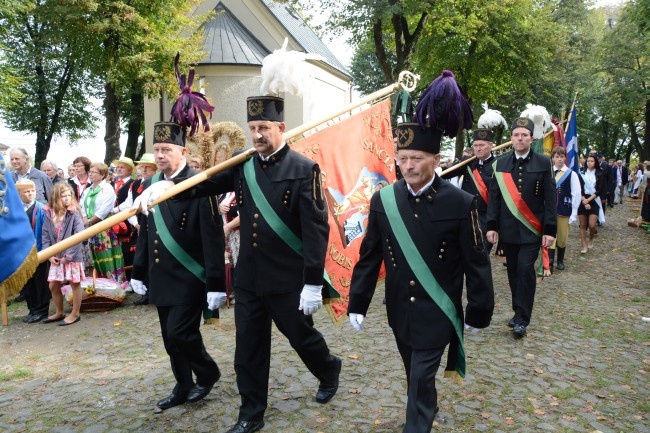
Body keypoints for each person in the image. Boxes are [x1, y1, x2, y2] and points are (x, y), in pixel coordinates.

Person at [136, 94, 341, 433]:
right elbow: (205, 185)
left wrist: (312, 282)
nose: (258, 135)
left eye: (264, 128)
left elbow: (316, 230)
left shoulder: (305, 170)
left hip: (288, 278)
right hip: (249, 278)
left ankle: (328, 367)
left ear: (281, 127)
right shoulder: (242, 164)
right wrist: (166, 188)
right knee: (248, 347)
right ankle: (251, 413)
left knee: (300, 337)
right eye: (253, 128)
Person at [348, 119, 495, 433]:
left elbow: (477, 261)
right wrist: (358, 302)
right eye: (402, 158)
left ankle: (417, 425)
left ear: (436, 160)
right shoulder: (383, 200)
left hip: (438, 310)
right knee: (413, 371)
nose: (408, 166)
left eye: (417, 158)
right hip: (400, 308)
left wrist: (478, 310)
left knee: (420, 375)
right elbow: (370, 256)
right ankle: (427, 402)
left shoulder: (460, 203)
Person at [131, 56, 226, 412]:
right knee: (169, 339)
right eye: (156, 151)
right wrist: (139, 272)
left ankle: (208, 373)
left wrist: (216, 283)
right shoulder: (150, 185)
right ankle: (183, 385)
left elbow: (212, 237)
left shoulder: (198, 185)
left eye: (166, 150)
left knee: (180, 333)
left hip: (190, 275)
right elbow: (147, 233)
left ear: (183, 152)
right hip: (161, 275)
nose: (160, 156)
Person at [486, 117, 556, 338]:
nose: (520, 138)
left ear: (531, 139)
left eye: (524, 135)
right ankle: (518, 312)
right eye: (516, 135)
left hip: (532, 230)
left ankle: (523, 319)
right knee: (513, 272)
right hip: (508, 230)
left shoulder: (544, 164)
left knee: (526, 270)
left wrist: (549, 230)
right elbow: (494, 199)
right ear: (511, 139)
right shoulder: (501, 164)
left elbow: (550, 199)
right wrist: (492, 226)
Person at [113, 153, 158, 305]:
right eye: (142, 167)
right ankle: (146, 292)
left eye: (148, 167)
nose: (144, 170)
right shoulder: (136, 184)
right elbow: (130, 205)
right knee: (143, 258)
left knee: (156, 259)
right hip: (140, 227)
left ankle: (156, 292)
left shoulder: (158, 183)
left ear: (155, 169)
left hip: (156, 226)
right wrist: (136, 224)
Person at [442, 128, 496, 252]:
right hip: (467, 215)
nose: (478, 148)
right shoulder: (467, 163)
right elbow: (445, 174)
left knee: (482, 254)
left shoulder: (498, 165)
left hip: (486, 217)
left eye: (482, 145)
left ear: (491, 145)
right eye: (476, 145)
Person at [41, 182, 86, 326]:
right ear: (55, 197)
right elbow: (45, 235)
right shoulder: (49, 213)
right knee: (53, 286)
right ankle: (60, 312)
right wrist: (49, 254)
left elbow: (79, 236)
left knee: (75, 283)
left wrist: (68, 256)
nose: (67, 198)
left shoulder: (74, 213)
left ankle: (75, 313)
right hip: (56, 256)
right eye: (63, 196)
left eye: (69, 195)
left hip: (71, 256)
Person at [80, 162, 125, 283]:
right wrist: (85, 220)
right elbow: (82, 206)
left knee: (105, 256)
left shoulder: (107, 189)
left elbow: (104, 210)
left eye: (94, 172)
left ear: (102, 175)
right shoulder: (88, 189)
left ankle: (112, 284)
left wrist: (90, 222)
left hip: (103, 229)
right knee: (92, 258)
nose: (90, 174)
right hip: (89, 229)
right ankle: (96, 284)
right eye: (90, 172)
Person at [15, 179, 50, 323]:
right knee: (28, 284)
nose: (30, 194)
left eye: (32, 191)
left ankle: (41, 310)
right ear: (18, 194)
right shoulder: (15, 210)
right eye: (26, 191)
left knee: (40, 282)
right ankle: (32, 309)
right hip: (22, 254)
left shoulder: (42, 209)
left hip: (39, 252)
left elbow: (46, 233)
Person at [548, 146, 581, 271]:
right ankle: (549, 262)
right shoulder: (549, 172)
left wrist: (574, 213)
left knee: (562, 237)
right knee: (550, 235)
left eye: (562, 157)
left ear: (565, 158)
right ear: (553, 158)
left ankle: (560, 260)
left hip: (564, 210)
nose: (559, 159)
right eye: (557, 157)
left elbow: (576, 194)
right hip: (550, 211)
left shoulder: (571, 174)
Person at [111, 157, 136, 279]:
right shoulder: (112, 183)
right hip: (112, 222)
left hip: (127, 222)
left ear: (130, 170)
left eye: (122, 167)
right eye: (118, 167)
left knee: (127, 251)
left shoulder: (133, 183)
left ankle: (130, 278)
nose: (119, 169)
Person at [578, 154, 605, 253]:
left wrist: (588, 201)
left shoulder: (600, 173)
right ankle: (583, 245)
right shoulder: (581, 172)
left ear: (595, 162)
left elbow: (599, 190)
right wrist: (583, 200)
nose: (589, 162)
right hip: (582, 198)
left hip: (594, 199)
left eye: (592, 161)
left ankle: (591, 239)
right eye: (588, 161)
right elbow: (578, 187)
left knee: (592, 225)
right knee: (582, 225)